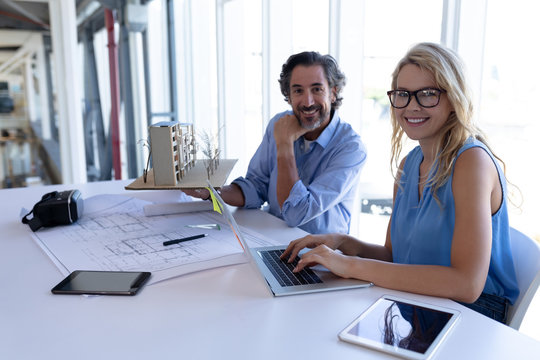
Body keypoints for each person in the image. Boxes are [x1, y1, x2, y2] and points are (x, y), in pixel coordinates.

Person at [281, 42, 519, 323]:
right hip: (419, 304)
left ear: (454, 99)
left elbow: (466, 285)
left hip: (473, 317)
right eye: (403, 94)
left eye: (428, 94)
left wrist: (349, 264)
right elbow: (393, 257)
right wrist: (341, 242)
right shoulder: (410, 164)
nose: (412, 106)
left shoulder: (471, 162)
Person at [185, 51, 367, 234]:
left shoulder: (351, 148)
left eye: (317, 89)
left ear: (333, 92)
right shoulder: (279, 124)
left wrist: (285, 144)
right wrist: (210, 192)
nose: (308, 101)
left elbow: (297, 213)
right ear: (288, 95)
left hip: (320, 253)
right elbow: (256, 187)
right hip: (271, 238)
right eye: (298, 91)